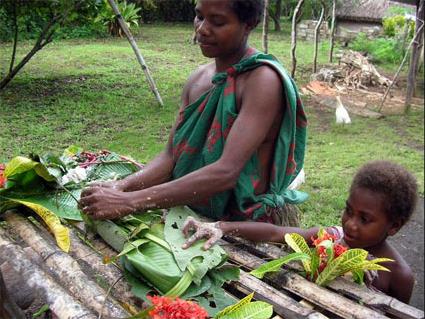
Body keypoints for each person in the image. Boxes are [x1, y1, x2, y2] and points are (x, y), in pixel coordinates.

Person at [79, 0, 307, 224]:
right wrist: (122, 186)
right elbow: (171, 156)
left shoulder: (262, 81)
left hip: (240, 224)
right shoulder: (198, 79)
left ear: (250, 23)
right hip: (189, 212)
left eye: (217, 22)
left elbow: (226, 172)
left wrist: (130, 201)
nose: (202, 29)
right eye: (199, 16)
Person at [181, 160, 418, 304]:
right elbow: (276, 233)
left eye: (365, 219)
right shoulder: (331, 239)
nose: (350, 224)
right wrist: (222, 227)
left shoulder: (399, 276)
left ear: (394, 226)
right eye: (348, 210)